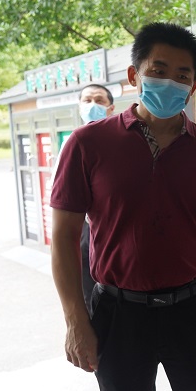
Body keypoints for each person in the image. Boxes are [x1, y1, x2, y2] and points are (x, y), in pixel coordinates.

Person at [50, 22, 196, 391]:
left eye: (182, 75)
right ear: (134, 75)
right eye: (158, 70)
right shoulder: (88, 145)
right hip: (120, 315)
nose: (170, 82)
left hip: (194, 310)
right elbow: (62, 237)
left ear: (194, 85)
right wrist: (76, 321)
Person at [76, 83, 115, 312]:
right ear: (79, 106)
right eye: (87, 100)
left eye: (99, 101)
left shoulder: (122, 142)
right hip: (85, 229)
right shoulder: (72, 144)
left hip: (115, 230)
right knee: (89, 293)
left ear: (111, 108)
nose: (93, 106)